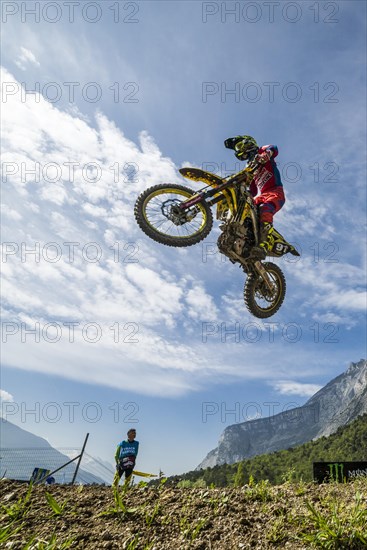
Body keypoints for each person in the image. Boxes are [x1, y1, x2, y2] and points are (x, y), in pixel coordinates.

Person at [224, 135, 285, 259]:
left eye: (239, 146)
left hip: (275, 192)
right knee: (246, 208)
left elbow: (274, 148)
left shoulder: (261, 151)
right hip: (261, 195)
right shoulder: (251, 167)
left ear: (249, 143)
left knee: (265, 209)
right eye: (237, 149)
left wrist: (267, 154)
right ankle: (244, 238)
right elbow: (252, 190)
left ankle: (263, 244)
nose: (239, 150)